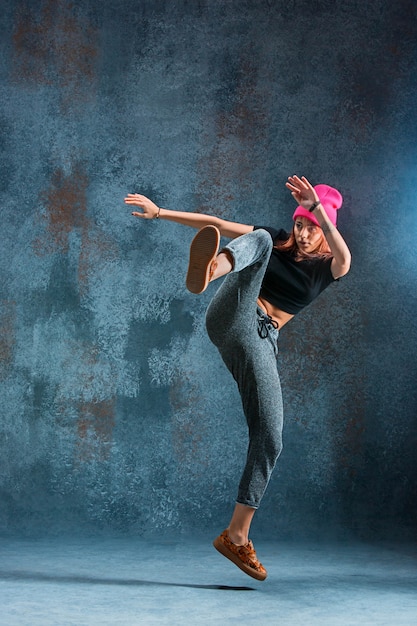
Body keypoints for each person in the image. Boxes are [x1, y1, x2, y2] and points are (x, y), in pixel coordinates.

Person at [124, 175, 351, 581]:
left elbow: (343, 253)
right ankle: (211, 269)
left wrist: (318, 209)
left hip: (261, 342)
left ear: (323, 229)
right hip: (233, 313)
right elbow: (215, 223)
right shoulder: (276, 239)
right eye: (299, 224)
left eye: (310, 228)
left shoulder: (328, 269)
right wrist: (159, 213)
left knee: (270, 436)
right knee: (261, 240)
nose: (301, 234)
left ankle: (237, 536)